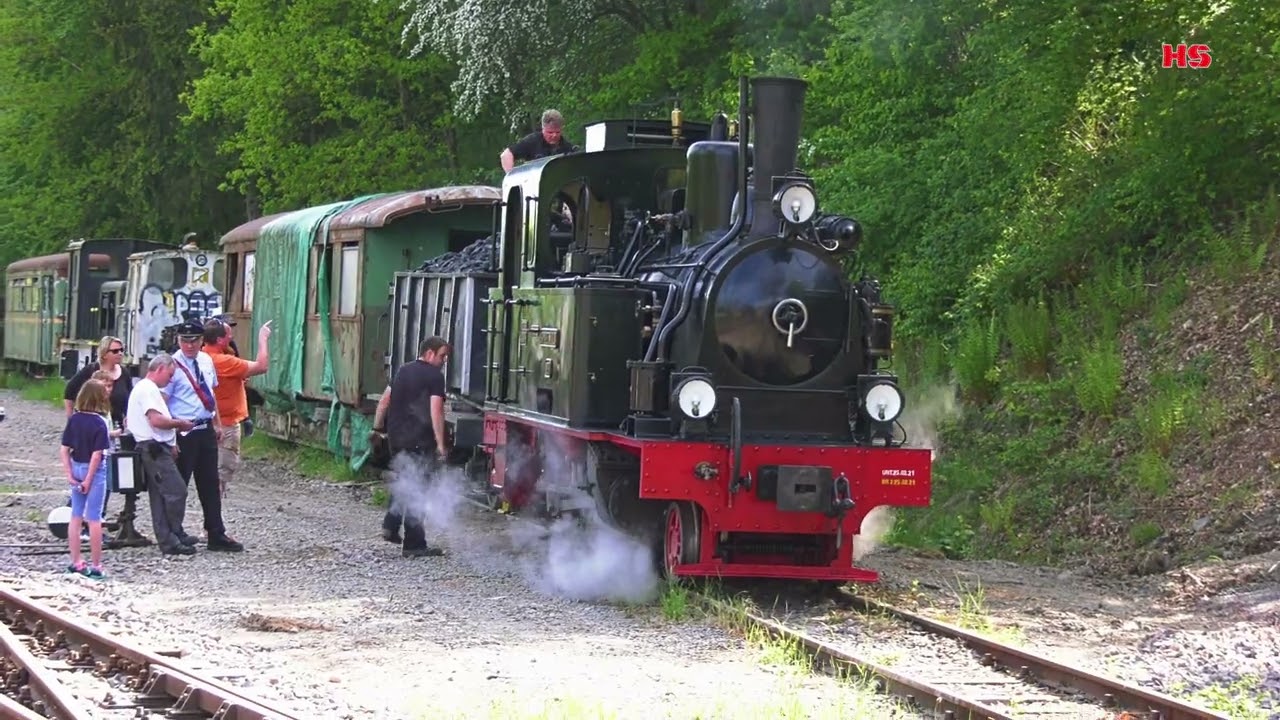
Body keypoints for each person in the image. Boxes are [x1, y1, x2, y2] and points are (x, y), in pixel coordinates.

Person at [167, 319, 243, 552]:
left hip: (205, 428)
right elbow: (163, 401)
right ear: (178, 341)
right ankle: (173, 533)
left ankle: (215, 532)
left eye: (193, 340)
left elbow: (210, 395)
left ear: (201, 341)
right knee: (179, 485)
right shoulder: (172, 365)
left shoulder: (206, 360)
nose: (188, 345)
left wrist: (217, 424)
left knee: (210, 483)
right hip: (183, 430)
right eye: (184, 340)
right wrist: (170, 437)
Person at [371, 337, 451, 557]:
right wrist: (441, 443)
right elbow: (436, 410)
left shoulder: (403, 370)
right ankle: (414, 544)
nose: (444, 361)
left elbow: (384, 401)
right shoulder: (435, 376)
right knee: (419, 489)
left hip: (397, 439)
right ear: (429, 353)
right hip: (419, 441)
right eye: (442, 355)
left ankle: (390, 524)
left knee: (405, 481)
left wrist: (377, 427)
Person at [126, 354, 196, 556]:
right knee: (176, 491)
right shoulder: (148, 390)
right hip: (153, 448)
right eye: (170, 374)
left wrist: (171, 442)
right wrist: (179, 424)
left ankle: (171, 537)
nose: (171, 379)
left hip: (156, 446)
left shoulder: (147, 389)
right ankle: (171, 535)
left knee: (160, 495)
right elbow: (156, 421)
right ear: (159, 369)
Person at [202, 318, 272, 498]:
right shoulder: (222, 361)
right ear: (219, 340)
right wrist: (263, 339)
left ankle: (212, 515)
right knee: (220, 474)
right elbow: (261, 366)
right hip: (225, 424)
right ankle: (214, 518)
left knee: (212, 472)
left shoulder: (203, 356)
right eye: (228, 335)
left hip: (210, 423)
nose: (231, 337)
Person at [59, 380, 113, 578]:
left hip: (76, 467)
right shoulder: (100, 422)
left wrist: (70, 475)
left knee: (75, 515)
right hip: (94, 471)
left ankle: (76, 562)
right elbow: (97, 455)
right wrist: (89, 480)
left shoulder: (74, 419)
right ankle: (97, 565)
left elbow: (64, 450)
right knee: (94, 518)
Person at [64, 336, 134, 447]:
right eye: (115, 351)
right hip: (93, 427)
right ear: (104, 354)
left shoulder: (124, 373)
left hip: (117, 427)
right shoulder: (91, 370)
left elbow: (130, 398)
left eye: (122, 350)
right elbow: (69, 392)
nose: (120, 353)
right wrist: (71, 420)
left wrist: (128, 417)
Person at [500, 109, 579, 172]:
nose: (554, 135)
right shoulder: (532, 141)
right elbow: (506, 155)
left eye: (557, 132)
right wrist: (511, 177)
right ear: (543, 128)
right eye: (550, 132)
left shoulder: (568, 148)